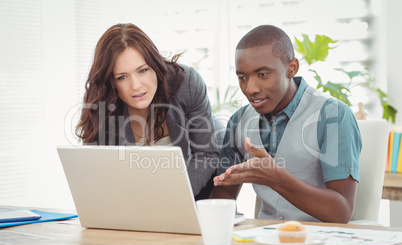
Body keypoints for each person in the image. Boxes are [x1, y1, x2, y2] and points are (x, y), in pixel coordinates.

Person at [210, 25, 362, 223]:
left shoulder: (332, 115)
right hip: (263, 240)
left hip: (322, 241)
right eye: (242, 77)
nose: (250, 88)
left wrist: (276, 178)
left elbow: (340, 212)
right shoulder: (238, 121)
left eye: (262, 74)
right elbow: (223, 198)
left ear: (292, 68)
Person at [75, 23, 223, 200]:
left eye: (143, 70)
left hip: (198, 188)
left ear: (155, 65)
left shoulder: (186, 83)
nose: (136, 86)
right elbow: (97, 173)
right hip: (138, 200)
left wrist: (175, 199)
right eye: (122, 77)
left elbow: (205, 154)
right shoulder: (102, 102)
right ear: (110, 82)